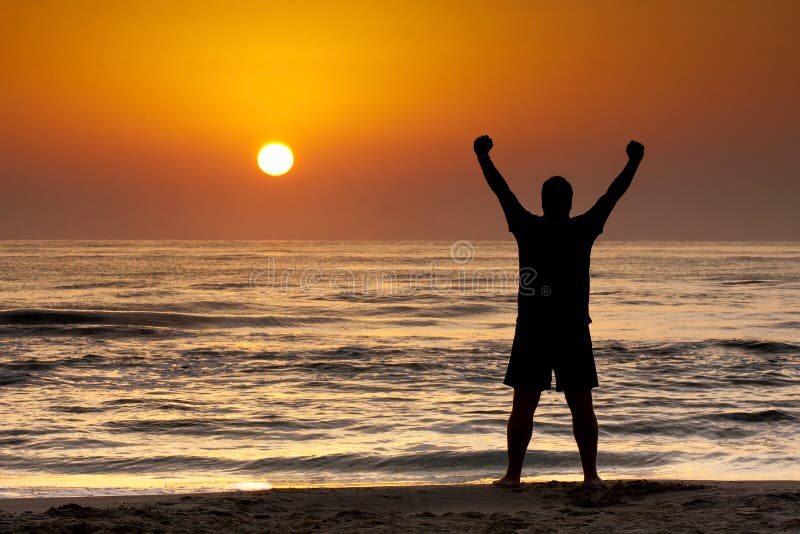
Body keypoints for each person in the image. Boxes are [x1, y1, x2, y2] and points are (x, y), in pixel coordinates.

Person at [474, 135, 644, 487]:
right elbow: (613, 195)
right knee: (581, 404)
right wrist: (633, 162)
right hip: (571, 328)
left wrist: (483, 157)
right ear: (570, 203)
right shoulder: (582, 228)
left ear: (542, 202)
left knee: (523, 404)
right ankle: (591, 476)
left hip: (533, 328)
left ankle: (513, 476)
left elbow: (501, 190)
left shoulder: (526, 226)